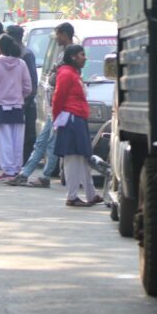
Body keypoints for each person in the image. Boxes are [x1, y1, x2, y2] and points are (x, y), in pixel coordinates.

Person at [9, 22, 75, 187]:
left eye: (58, 35)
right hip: (54, 104)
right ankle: (25, 173)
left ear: (65, 34)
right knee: (42, 141)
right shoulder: (63, 53)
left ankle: (44, 176)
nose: (57, 38)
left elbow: (60, 78)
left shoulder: (71, 53)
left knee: (51, 142)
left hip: (61, 107)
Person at [52, 44, 99, 207]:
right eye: (81, 54)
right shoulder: (66, 73)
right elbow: (58, 98)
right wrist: (56, 119)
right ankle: (71, 196)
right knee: (73, 158)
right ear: (72, 57)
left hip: (77, 118)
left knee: (83, 158)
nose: (84, 57)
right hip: (71, 118)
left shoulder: (73, 73)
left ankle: (91, 194)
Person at [0, 34, 32, 180]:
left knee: (3, 140)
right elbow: (28, 87)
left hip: (0, 107)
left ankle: (8, 169)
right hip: (18, 106)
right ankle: (16, 168)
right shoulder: (21, 64)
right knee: (17, 139)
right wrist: (19, 96)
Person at [6, 24, 38, 164]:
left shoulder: (26, 55)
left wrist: (26, 99)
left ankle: (24, 163)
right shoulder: (10, 55)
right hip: (13, 101)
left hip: (24, 102)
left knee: (27, 135)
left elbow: (32, 82)